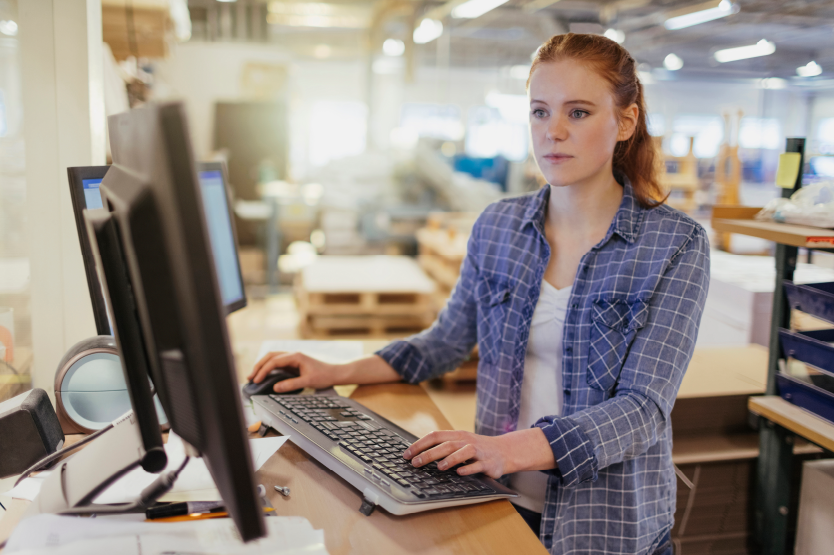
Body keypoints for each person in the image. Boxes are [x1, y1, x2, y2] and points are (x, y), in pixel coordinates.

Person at [249, 33, 710, 555]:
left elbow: (643, 410)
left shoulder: (675, 245)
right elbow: (445, 342)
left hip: (607, 528)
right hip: (499, 502)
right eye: (539, 112)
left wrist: (505, 450)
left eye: (578, 113)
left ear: (625, 122)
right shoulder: (499, 226)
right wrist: (335, 373)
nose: (553, 132)